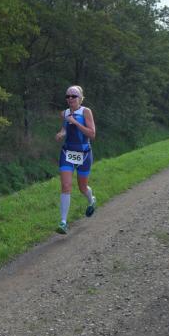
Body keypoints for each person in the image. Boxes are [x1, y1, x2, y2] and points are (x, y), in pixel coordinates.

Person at [55, 85, 97, 234]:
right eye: (68, 96)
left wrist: (76, 122)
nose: (70, 98)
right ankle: (63, 222)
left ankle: (91, 200)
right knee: (66, 185)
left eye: (74, 96)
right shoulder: (65, 113)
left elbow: (92, 134)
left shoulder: (86, 111)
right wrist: (61, 134)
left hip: (84, 154)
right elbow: (65, 129)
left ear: (80, 98)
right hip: (67, 153)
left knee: (82, 188)